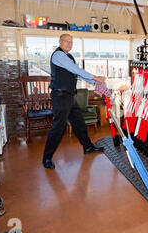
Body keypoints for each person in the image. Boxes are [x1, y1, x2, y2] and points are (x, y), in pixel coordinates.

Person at [42, 34, 106, 169]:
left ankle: (87, 147)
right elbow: (75, 69)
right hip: (60, 96)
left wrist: (94, 81)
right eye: (66, 41)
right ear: (60, 42)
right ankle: (47, 158)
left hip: (70, 95)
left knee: (79, 122)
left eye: (71, 42)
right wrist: (96, 77)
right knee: (58, 127)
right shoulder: (58, 55)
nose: (69, 44)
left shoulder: (68, 56)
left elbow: (75, 73)